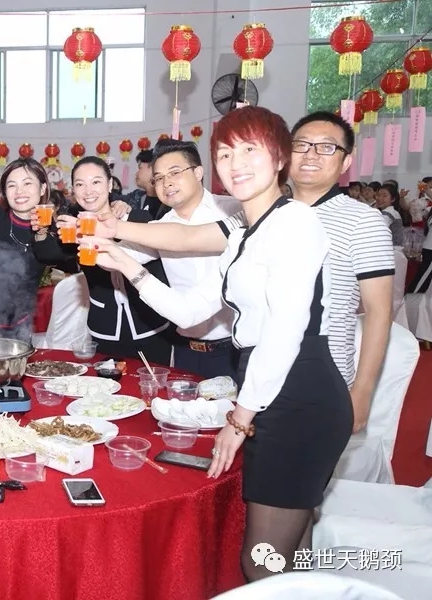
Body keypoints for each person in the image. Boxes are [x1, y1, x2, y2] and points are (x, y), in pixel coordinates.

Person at [89, 106, 352, 582]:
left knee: (260, 560)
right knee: (292, 554)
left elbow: (284, 332)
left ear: (279, 158)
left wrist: (240, 419)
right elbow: (190, 311)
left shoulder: (295, 222)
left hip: (299, 393)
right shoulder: (244, 235)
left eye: (250, 149)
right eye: (226, 154)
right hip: (270, 389)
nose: (236, 164)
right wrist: (126, 265)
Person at [88, 111, 393, 434]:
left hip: (315, 375)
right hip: (255, 373)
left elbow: (378, 312)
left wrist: (362, 391)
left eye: (326, 147)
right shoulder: (248, 222)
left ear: (347, 161)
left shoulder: (361, 221)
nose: (310, 155)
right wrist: (115, 232)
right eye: (301, 144)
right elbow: (188, 238)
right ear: (286, 152)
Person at [100, 139, 242, 377]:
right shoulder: (160, 227)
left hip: (231, 349)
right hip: (184, 349)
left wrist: (114, 228)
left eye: (175, 173)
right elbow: (113, 258)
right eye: (158, 178)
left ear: (198, 172)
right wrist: (90, 226)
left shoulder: (234, 211)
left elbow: (185, 238)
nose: (167, 183)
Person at [37, 156, 175, 364]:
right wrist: (41, 230)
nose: (88, 191)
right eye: (80, 184)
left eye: (96, 182)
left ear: (109, 184)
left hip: (150, 324)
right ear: (73, 190)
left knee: (155, 382)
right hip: (105, 327)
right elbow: (47, 254)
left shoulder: (138, 219)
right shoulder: (74, 228)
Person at [0, 158, 75, 343]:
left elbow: (50, 254)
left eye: (27, 183)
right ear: (5, 192)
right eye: (12, 185)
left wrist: (41, 231)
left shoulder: (53, 232)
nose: (19, 191)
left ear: (42, 189)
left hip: (19, 327)